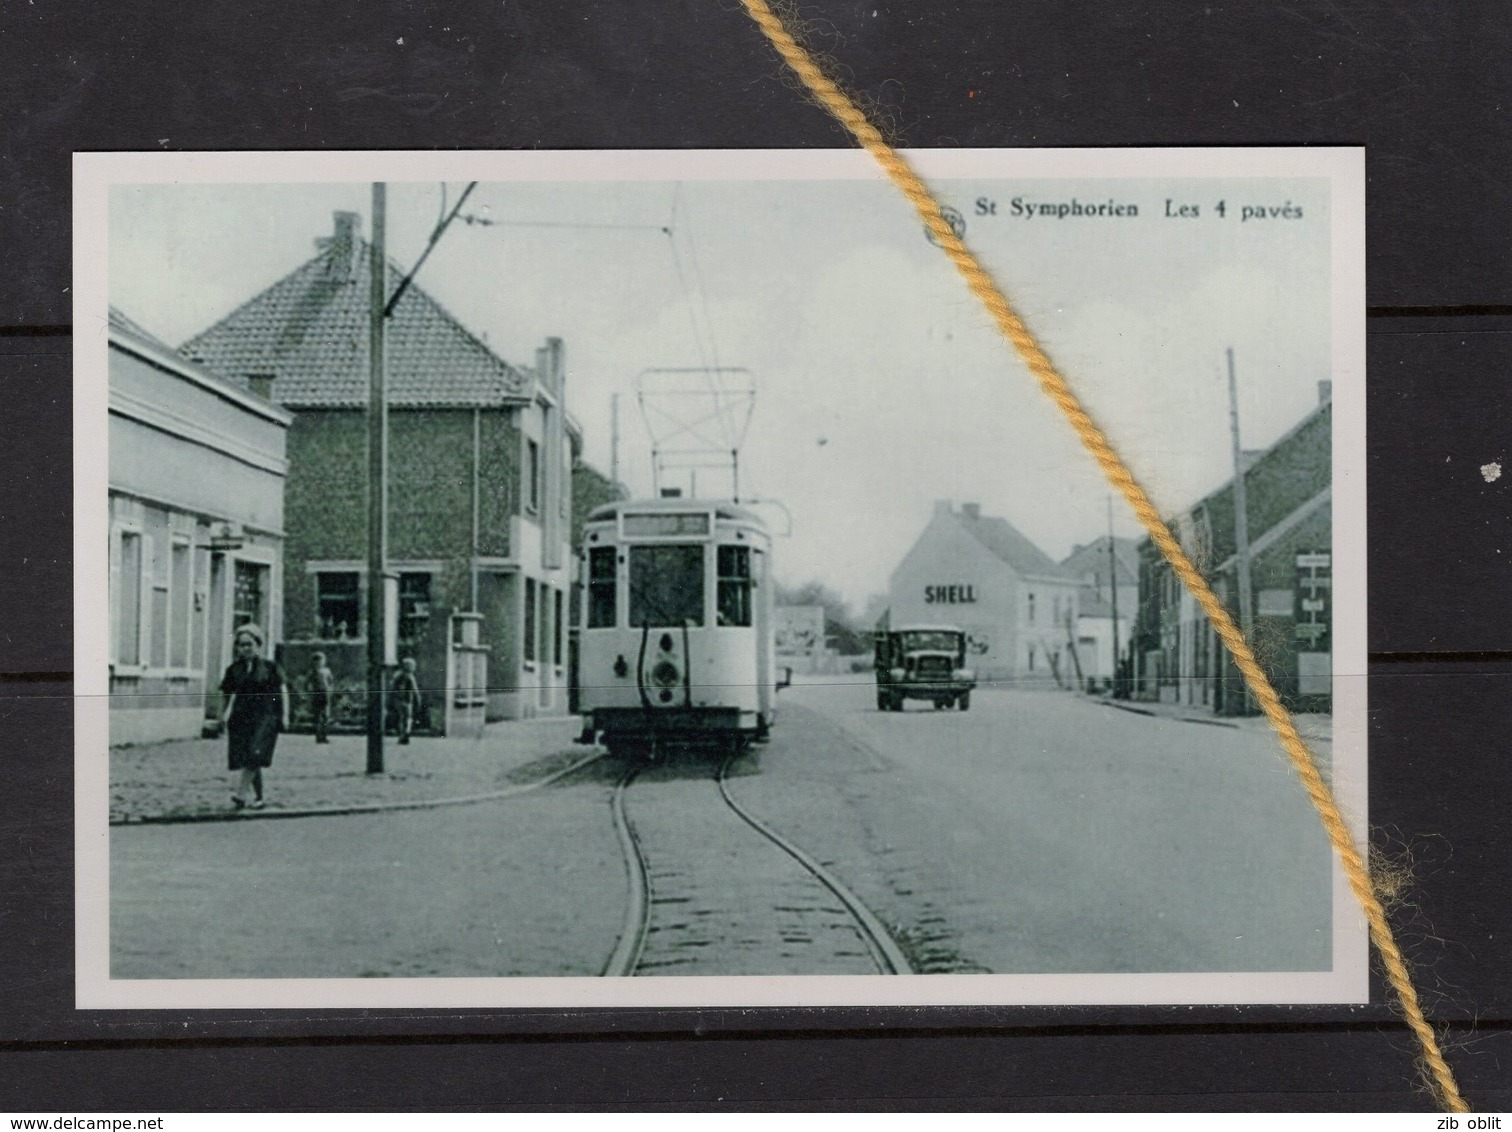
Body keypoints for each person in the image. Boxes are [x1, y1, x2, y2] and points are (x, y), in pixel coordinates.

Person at [218, 625, 289, 809]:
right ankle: (259, 798)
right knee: (249, 757)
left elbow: (281, 691)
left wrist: (285, 715)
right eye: (241, 645)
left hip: (266, 716)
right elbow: (227, 694)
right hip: (242, 717)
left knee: (255, 752)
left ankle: (240, 795)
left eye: (249, 644)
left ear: (258, 645)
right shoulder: (234, 670)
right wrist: (223, 716)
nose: (245, 648)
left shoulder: (270, 667)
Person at [391, 656, 421, 745]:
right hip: (407, 700)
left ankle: (402, 735)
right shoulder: (409, 676)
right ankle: (405, 734)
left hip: (399, 700)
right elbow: (415, 690)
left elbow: (392, 688)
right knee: (407, 718)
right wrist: (418, 699)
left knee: (402, 718)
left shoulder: (397, 675)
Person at [308, 651, 334, 744]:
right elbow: (308, 683)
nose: (320, 663)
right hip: (317, 693)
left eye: (322, 660)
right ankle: (319, 736)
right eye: (318, 661)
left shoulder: (327, 671)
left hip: (325, 693)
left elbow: (331, 681)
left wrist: (330, 690)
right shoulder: (313, 672)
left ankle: (325, 734)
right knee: (318, 716)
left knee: (326, 716)